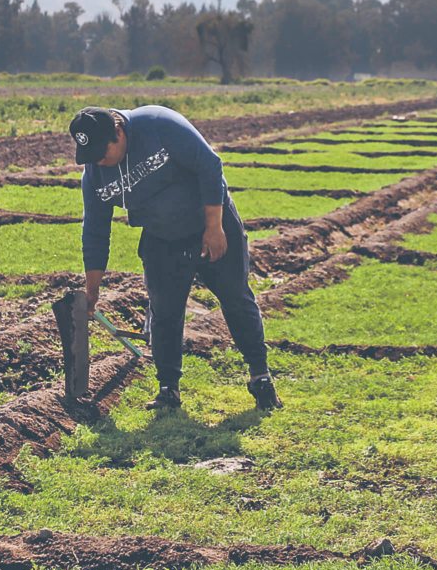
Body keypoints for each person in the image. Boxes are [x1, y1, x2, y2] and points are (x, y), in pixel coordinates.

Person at [70, 105, 283, 411]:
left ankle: (260, 377)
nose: (99, 163)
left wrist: (214, 228)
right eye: (91, 158)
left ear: (118, 132)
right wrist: (92, 291)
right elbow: (95, 231)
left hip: (210, 222)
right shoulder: (94, 175)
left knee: (236, 298)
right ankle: (168, 389)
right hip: (162, 236)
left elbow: (209, 165)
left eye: (103, 153)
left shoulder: (159, 124)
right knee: (164, 312)